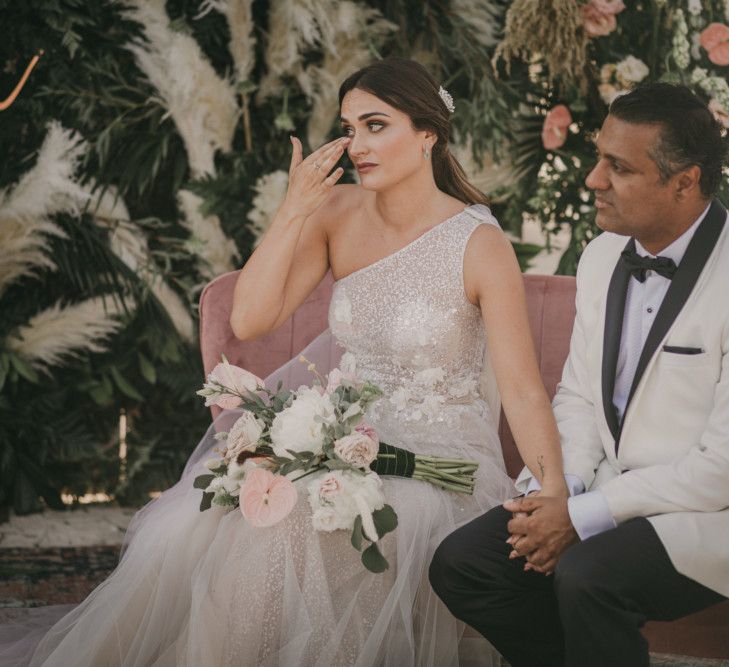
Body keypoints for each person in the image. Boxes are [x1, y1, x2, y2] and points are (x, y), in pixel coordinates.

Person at [0, 57, 566, 666]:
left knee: (310, 524)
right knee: (229, 512)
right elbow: (250, 318)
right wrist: (294, 208)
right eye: (349, 128)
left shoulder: (478, 243)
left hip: (439, 458)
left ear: (428, 132)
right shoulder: (337, 212)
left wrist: (556, 493)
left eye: (376, 125)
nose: (357, 146)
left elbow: (524, 390)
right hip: (345, 432)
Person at [429, 82, 729, 667]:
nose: (593, 179)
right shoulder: (602, 256)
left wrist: (581, 517)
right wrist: (555, 492)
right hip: (604, 492)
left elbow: (721, 470)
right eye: (598, 158)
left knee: (587, 576)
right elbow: (579, 398)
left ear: (685, 181)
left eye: (617, 167)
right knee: (462, 563)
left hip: (705, 515)